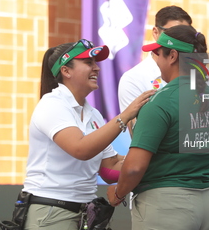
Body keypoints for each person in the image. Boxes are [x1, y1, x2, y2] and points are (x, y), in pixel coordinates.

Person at [21, 39, 155, 230]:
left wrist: (151, 157)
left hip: (87, 214)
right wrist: (125, 115)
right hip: (51, 212)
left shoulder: (94, 114)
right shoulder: (52, 104)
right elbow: (80, 148)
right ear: (66, 71)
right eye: (88, 63)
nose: (97, 68)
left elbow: (109, 168)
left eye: (95, 63)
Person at [107, 25, 209, 230]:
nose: (156, 59)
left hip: (167, 205)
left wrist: (118, 193)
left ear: (172, 56)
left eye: (157, 53)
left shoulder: (160, 101)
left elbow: (135, 167)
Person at [118, 5, 209, 136]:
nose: (179, 39)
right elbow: (138, 136)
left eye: (185, 33)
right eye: (172, 33)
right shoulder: (133, 78)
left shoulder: (203, 73)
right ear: (155, 33)